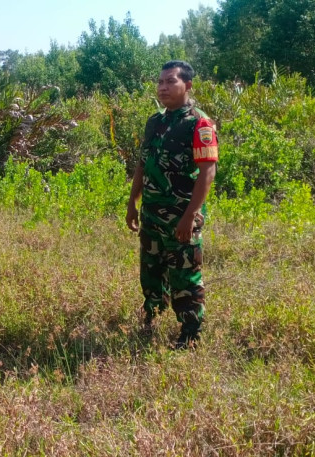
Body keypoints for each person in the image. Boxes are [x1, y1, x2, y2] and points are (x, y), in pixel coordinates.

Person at [126, 61, 218, 349]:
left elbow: (207, 172)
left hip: (181, 214)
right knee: (150, 268)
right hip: (152, 213)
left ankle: (190, 332)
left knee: (184, 273)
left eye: (171, 82)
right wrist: (133, 201)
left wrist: (189, 216)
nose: (163, 87)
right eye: (160, 82)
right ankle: (152, 314)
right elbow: (143, 163)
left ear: (187, 85)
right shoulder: (156, 122)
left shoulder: (199, 123)